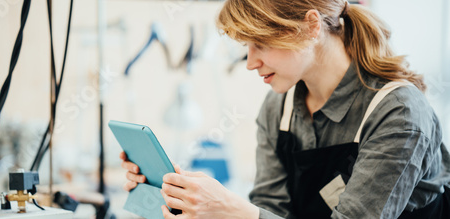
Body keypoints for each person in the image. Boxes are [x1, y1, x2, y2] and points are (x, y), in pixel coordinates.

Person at [120, 0, 450, 218]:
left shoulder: (398, 111)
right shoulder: (279, 106)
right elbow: (271, 209)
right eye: (246, 47)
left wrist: (235, 211)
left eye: (260, 43)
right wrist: (186, 201)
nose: (250, 63)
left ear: (310, 27)